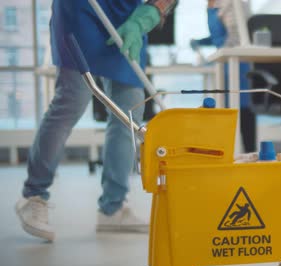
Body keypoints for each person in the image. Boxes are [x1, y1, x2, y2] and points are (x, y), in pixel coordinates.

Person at [15, 0, 177, 242]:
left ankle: (113, 208)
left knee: (129, 114)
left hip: (127, 16)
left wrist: (146, 16)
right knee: (71, 101)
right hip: (80, 10)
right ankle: (34, 196)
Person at [191, 0, 257, 153]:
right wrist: (201, 42)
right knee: (225, 109)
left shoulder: (235, 3)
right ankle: (225, 154)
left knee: (243, 108)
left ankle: (249, 155)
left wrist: (217, 55)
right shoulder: (213, 4)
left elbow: (237, 36)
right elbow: (218, 34)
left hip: (237, 62)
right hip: (223, 64)